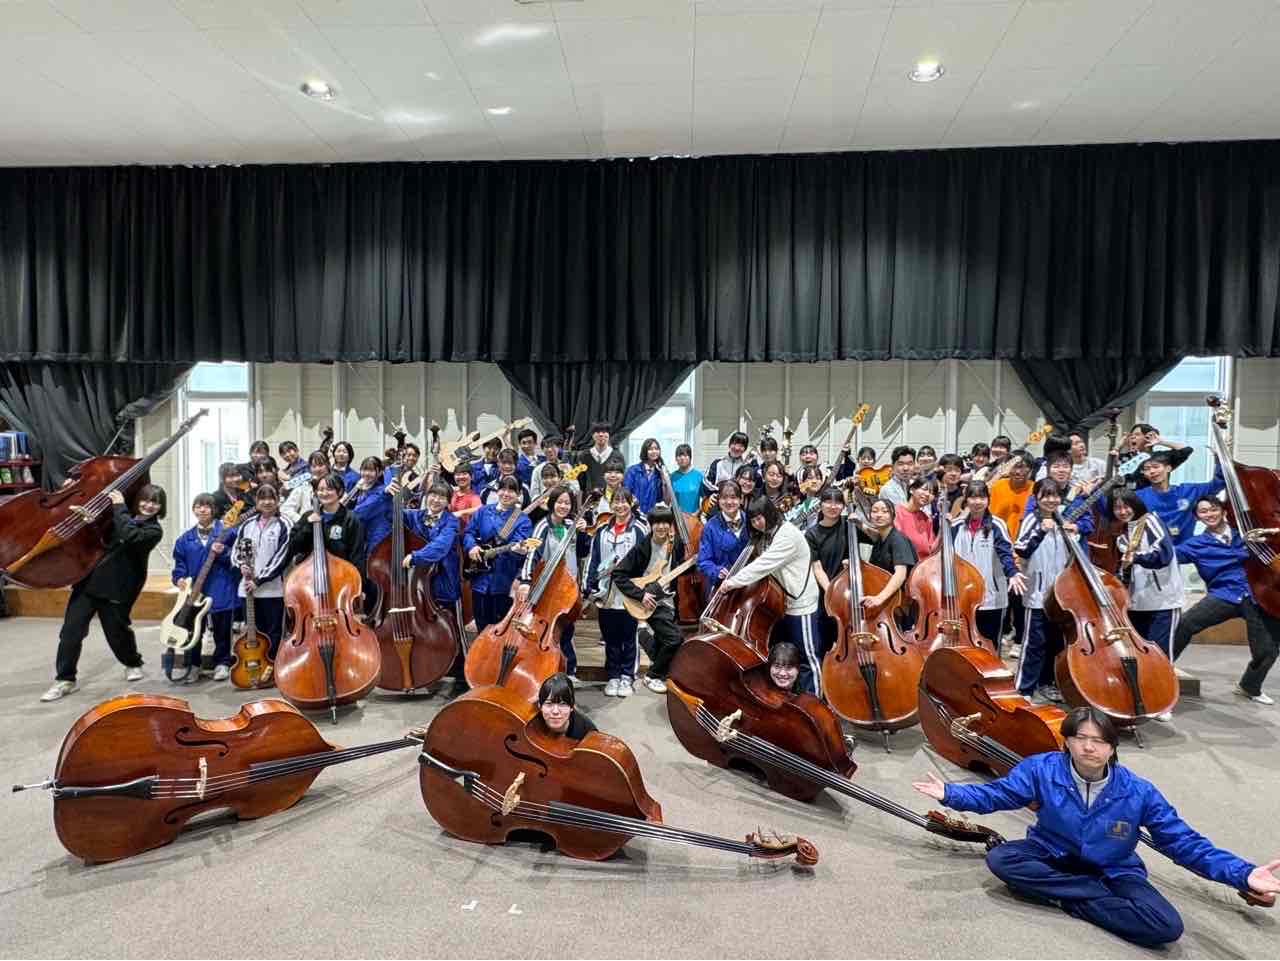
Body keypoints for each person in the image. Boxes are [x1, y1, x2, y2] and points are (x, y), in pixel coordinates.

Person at [913, 706, 1280, 948]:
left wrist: (1243, 873)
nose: (1088, 748)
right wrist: (951, 793)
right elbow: (998, 794)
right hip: (1050, 852)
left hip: (1113, 869)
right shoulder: (1041, 768)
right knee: (1002, 859)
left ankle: (1066, 898)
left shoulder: (1139, 791)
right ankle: (1088, 898)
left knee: (1166, 926)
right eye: (1080, 739)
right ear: (1067, 742)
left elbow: (1184, 843)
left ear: (1112, 747)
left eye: (1098, 741)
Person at [41, 486, 166, 702]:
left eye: (155, 502)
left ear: (161, 507)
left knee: (117, 632)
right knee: (70, 633)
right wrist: (91, 522)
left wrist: (119, 506)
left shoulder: (153, 530)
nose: (149, 505)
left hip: (119, 586)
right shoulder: (120, 516)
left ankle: (132, 662)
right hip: (89, 582)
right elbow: (101, 539)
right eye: (145, 500)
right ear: (138, 500)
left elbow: (129, 535)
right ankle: (65, 679)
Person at [1172, 496, 1280, 705]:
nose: (1209, 514)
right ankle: (1161, 667)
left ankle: (1249, 686)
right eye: (1203, 511)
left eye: (1213, 509)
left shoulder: (1248, 535)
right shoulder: (1195, 544)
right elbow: (1167, 556)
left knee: (1268, 650)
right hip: (1224, 595)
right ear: (1197, 517)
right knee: (1185, 623)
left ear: (1224, 511)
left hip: (1258, 596)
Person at [722, 497, 822, 695]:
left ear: (770, 513)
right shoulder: (766, 535)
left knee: (807, 658)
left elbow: (764, 564)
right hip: (782, 603)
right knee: (784, 657)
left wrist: (733, 581)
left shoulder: (787, 535)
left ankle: (814, 702)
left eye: (760, 518)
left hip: (801, 605)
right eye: (752, 520)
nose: (757, 523)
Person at [1013, 479, 1092, 702]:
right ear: (1036, 498)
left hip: (1061, 596)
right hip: (1037, 595)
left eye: (1055, 495)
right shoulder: (1032, 519)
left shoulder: (1063, 520)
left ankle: (1047, 683)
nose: (1051, 500)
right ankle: (1024, 689)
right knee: (1034, 644)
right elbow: (1021, 549)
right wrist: (1040, 531)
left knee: (1056, 643)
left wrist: (1074, 531)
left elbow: (1074, 554)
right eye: (1046, 495)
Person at [396, 479, 466, 694]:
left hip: (443, 584)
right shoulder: (414, 515)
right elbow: (390, 515)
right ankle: (428, 673)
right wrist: (391, 496)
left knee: (453, 631)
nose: (436, 500)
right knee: (425, 632)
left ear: (448, 502)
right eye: (433, 495)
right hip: (418, 587)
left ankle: (461, 677)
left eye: (442, 497)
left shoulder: (451, 522)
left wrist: (415, 557)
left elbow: (440, 547)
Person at [518, 485, 589, 685]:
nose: (563, 506)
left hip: (568, 588)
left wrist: (583, 533)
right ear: (552, 503)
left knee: (566, 629)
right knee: (545, 629)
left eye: (567, 503)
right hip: (546, 588)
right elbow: (532, 554)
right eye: (559, 502)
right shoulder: (542, 526)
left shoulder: (572, 525)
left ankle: (568, 669)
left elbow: (582, 552)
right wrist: (525, 581)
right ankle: (541, 668)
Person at [613, 503, 686, 693]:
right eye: (657, 523)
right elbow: (618, 574)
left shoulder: (675, 544)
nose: (661, 527)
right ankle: (653, 675)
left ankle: (644, 637)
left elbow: (679, 568)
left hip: (669, 599)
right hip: (650, 601)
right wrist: (641, 595)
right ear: (650, 524)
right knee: (674, 639)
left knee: (664, 641)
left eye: (665, 523)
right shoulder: (642, 547)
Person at [171, 493, 239, 682]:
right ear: (193, 510)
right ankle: (193, 665)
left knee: (222, 628)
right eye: (198, 506)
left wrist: (224, 552)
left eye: (207, 506)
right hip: (195, 591)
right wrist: (179, 579)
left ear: (214, 509)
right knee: (192, 629)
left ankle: (222, 663)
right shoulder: (184, 539)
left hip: (220, 586)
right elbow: (179, 564)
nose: (202, 509)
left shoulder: (228, 532)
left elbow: (238, 557)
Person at [586, 488, 648, 697]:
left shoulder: (639, 529)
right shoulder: (602, 531)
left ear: (631, 504)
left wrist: (642, 590)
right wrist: (590, 585)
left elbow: (645, 561)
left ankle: (627, 676)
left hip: (629, 594)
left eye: (624, 502)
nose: (620, 506)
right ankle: (613, 675)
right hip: (606, 593)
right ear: (611, 504)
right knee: (610, 637)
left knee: (629, 636)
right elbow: (593, 559)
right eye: (616, 502)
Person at [950, 481, 1025, 649]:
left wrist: (1012, 573)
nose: (977, 502)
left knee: (990, 647)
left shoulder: (997, 525)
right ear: (966, 500)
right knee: (964, 645)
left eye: (982, 497)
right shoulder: (955, 526)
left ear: (988, 500)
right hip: (963, 597)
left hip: (992, 597)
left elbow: (1005, 552)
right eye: (973, 497)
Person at [1111, 492, 1182, 665]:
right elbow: (1125, 571)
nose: (1122, 511)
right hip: (1136, 604)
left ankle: (1163, 683)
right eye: (1117, 508)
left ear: (1136, 505)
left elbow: (1163, 555)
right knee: (1140, 655)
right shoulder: (1121, 536)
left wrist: (1136, 557)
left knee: (1160, 656)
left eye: (1126, 506)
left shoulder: (1150, 521)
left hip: (1163, 602)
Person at [233, 484, 291, 683]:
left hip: (273, 591)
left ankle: (272, 669)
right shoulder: (247, 525)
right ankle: (253, 668)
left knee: (273, 632)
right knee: (253, 633)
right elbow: (236, 550)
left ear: (277, 501)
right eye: (262, 498)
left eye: (271, 498)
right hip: (247, 590)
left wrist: (258, 580)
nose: (267, 502)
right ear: (256, 502)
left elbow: (281, 558)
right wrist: (241, 565)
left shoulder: (284, 524)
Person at [464, 476, 534, 632]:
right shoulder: (482, 511)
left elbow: (519, 552)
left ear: (519, 494)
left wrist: (518, 550)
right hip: (479, 577)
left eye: (511, 490)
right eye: (503, 489)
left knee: (500, 629)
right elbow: (469, 532)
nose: (506, 494)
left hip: (503, 581)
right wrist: (472, 546)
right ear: (497, 490)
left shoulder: (523, 521)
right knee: (481, 626)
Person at [1136, 451, 1224, 545]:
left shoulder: (1188, 491)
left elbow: (1217, 484)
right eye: (1147, 469)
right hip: (1155, 551)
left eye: (1156, 467)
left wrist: (1219, 460)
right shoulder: (1138, 496)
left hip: (1186, 549)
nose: (1152, 471)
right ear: (1144, 473)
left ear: (1168, 468)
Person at [807, 487, 850, 664]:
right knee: (824, 640)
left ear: (843, 506)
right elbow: (817, 568)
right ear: (820, 505)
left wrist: (861, 523)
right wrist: (832, 591)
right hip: (824, 594)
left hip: (849, 592)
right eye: (828, 502)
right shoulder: (812, 534)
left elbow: (875, 535)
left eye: (838, 502)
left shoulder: (849, 525)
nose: (833, 506)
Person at [860, 496, 918, 628]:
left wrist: (879, 598)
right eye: (874, 511)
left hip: (899, 606)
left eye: (884, 511)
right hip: (888, 603)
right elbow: (872, 533)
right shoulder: (881, 538)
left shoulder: (898, 540)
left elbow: (900, 574)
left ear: (893, 516)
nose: (879, 515)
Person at [286, 473, 365, 566]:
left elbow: (357, 555)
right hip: (308, 569)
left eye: (329, 489)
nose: (324, 493)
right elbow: (293, 547)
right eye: (320, 489)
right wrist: (307, 525)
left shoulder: (351, 519)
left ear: (340, 492)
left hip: (340, 570)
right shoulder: (308, 516)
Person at [697, 480, 750, 605]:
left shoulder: (751, 521)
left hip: (748, 580)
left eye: (733, 497)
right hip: (721, 584)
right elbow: (703, 561)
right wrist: (716, 571)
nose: (729, 502)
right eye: (724, 498)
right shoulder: (710, 527)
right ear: (718, 500)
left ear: (741, 499)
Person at [536, 672, 598, 740]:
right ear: (540, 706)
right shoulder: (533, 722)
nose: (555, 711)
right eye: (549, 704)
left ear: (572, 706)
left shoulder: (587, 732)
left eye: (562, 704)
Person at [281, 450, 330, 524]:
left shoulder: (336, 485)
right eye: (314, 466)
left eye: (321, 465)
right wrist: (303, 520)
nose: (317, 469)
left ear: (328, 465)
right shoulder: (304, 487)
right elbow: (285, 509)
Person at [894, 477, 936, 559]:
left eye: (931, 492)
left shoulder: (926, 519)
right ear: (912, 490)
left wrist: (942, 529)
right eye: (924, 489)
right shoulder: (896, 512)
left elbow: (931, 548)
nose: (928, 494)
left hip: (924, 563)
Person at [623, 438, 664, 514]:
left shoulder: (660, 473)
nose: (654, 451)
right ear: (645, 451)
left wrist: (663, 477)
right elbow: (626, 491)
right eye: (650, 449)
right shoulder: (633, 470)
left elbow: (662, 498)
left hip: (653, 515)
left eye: (656, 449)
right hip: (634, 513)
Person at [577, 421, 618, 493]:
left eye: (604, 432)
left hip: (612, 496)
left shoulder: (617, 456)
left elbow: (619, 479)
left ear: (609, 435)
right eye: (597, 432)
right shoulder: (584, 456)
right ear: (592, 435)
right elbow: (581, 480)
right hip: (589, 496)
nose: (601, 434)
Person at [669, 443, 703, 515]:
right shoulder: (672, 477)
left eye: (685, 455)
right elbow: (668, 500)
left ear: (690, 457)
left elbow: (705, 499)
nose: (682, 458)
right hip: (676, 518)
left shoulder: (699, 476)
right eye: (679, 456)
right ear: (676, 458)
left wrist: (697, 513)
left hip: (694, 517)